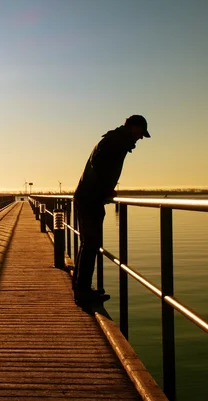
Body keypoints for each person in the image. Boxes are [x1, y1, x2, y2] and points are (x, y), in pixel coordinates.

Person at [73, 115, 151, 307]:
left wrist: (105, 190)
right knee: (90, 244)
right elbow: (99, 164)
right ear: (134, 127)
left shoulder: (116, 139)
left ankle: (82, 289)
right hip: (89, 198)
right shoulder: (116, 140)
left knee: (89, 244)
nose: (141, 138)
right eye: (141, 133)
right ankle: (82, 294)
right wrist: (106, 189)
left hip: (90, 197)